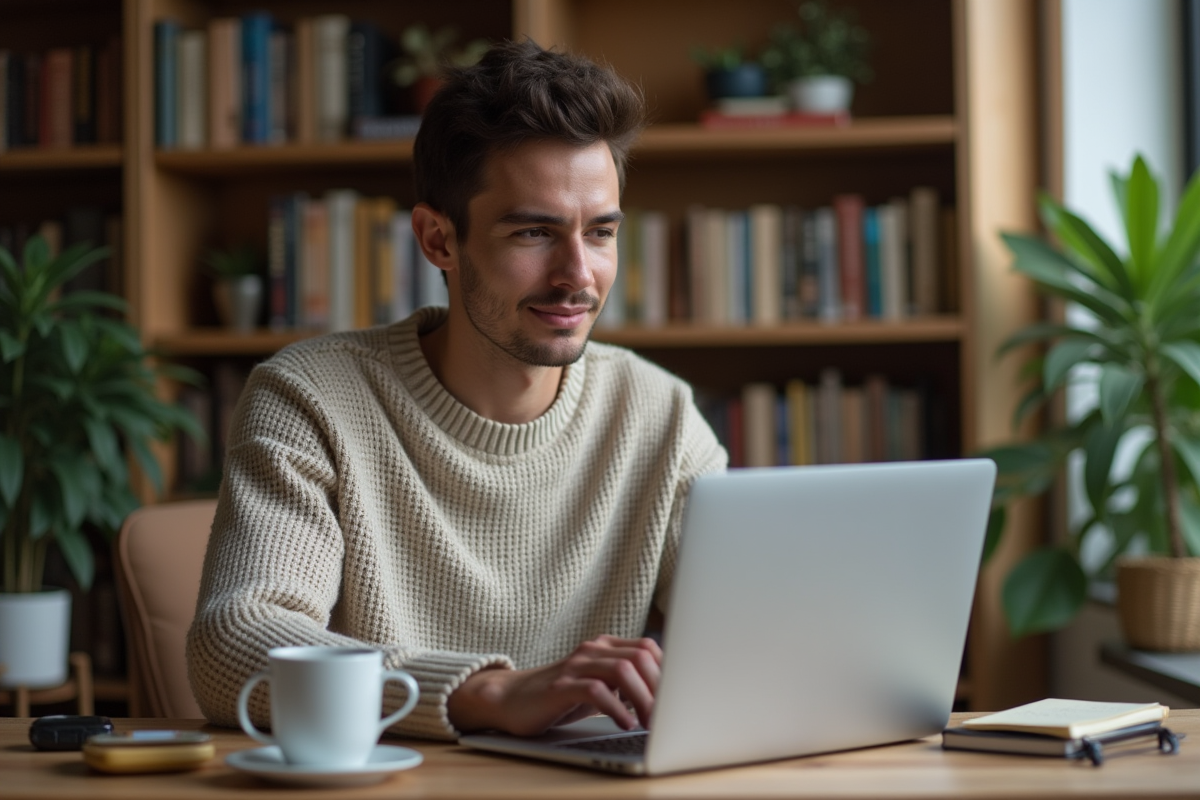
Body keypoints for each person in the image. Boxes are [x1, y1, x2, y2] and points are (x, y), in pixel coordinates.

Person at [186, 39, 727, 741]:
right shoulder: (310, 397)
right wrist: (488, 693)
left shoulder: (660, 413)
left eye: (600, 233)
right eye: (534, 232)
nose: (577, 275)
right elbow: (236, 646)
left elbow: (757, 631)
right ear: (438, 240)